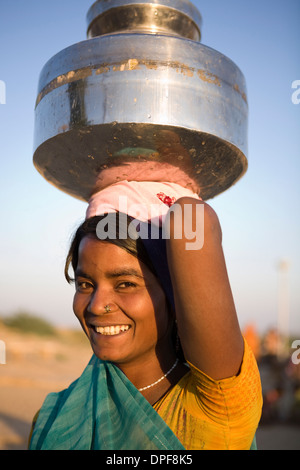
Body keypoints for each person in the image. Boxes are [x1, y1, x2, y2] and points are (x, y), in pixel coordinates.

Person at [29, 187, 262, 450]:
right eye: (85, 284)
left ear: (175, 298)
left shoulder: (216, 405)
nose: (96, 306)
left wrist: (141, 186)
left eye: (125, 284)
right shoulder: (51, 419)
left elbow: (192, 218)